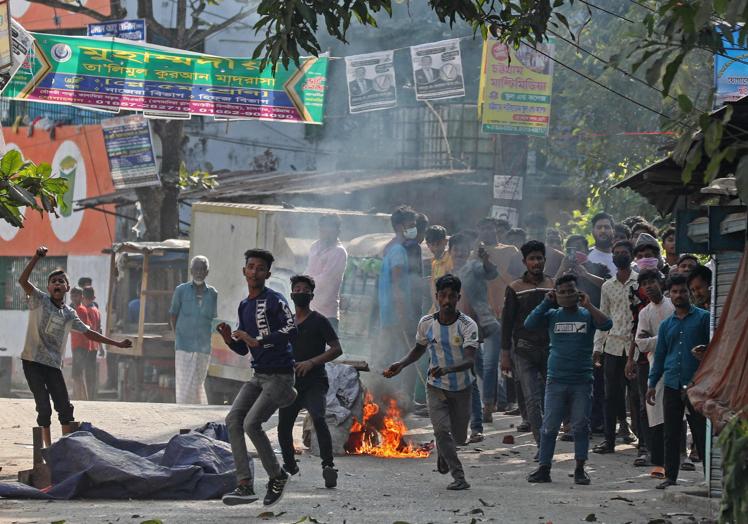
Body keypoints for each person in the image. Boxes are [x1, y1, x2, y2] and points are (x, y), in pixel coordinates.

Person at [19, 247, 132, 445]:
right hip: (32, 362)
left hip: (53, 364)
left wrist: (117, 344)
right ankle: (47, 450)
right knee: (44, 407)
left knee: (64, 407)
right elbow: (22, 281)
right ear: (48, 288)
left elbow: (89, 332)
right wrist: (36, 256)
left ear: (67, 288)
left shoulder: (70, 313)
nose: (57, 283)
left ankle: (66, 448)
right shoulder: (39, 299)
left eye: (61, 281)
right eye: (53, 281)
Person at [383, 274, 479, 491]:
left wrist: (448, 369)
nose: (446, 301)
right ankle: (459, 476)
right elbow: (418, 350)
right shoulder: (426, 323)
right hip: (435, 386)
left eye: (451, 296)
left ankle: (444, 452)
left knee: (459, 437)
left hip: (462, 388)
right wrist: (401, 364)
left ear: (458, 298)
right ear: (436, 297)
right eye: (442, 296)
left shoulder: (467, 325)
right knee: (440, 431)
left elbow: (470, 360)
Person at [219, 249, 298, 507]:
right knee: (233, 420)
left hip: (280, 376)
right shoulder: (244, 306)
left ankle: (277, 476)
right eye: (250, 267)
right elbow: (244, 348)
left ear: (267, 274)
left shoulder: (275, 300)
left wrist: (259, 340)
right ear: (244, 271)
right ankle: (244, 485)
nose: (254, 272)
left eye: (260, 268)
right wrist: (229, 339)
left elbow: (290, 328)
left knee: (251, 423)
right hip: (259, 375)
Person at [526, 275, 612, 485]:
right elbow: (529, 323)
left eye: (570, 291)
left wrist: (590, 305)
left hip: (582, 380)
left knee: (581, 426)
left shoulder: (586, 315)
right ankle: (544, 467)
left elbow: (607, 324)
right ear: (556, 294)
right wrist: (546, 301)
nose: (566, 295)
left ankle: (580, 468)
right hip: (556, 379)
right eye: (561, 292)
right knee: (549, 426)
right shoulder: (552, 315)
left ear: (578, 292)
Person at [278, 275, 342, 488]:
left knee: (318, 417)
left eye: (305, 290)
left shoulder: (319, 321)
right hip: (291, 382)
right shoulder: (287, 324)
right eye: (297, 289)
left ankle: (328, 466)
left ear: (311, 295)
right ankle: (289, 465)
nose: (301, 292)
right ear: (291, 294)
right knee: (284, 425)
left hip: (315, 381)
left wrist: (312, 363)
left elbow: (336, 349)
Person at [646, 274, 709, 489]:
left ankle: (710, 479)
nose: (679, 295)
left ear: (689, 293)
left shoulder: (704, 319)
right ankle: (670, 476)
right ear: (669, 294)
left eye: (683, 291)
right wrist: (652, 384)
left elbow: (713, 350)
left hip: (697, 385)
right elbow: (660, 357)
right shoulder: (666, 326)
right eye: (674, 292)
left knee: (701, 433)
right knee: (670, 433)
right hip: (672, 383)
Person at [501, 241, 555, 451]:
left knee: (551, 397)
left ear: (544, 260)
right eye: (532, 259)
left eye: (539, 258)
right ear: (525, 262)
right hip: (523, 349)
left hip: (551, 349)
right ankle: (542, 445)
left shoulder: (553, 285)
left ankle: (548, 436)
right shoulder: (515, 288)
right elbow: (507, 323)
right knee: (532, 399)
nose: (536, 262)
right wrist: (505, 355)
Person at [450, 232, 499, 442]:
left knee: (475, 374)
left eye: (463, 248)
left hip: (478, 326)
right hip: (455, 331)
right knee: (466, 374)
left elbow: (490, 273)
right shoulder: (448, 273)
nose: (460, 252)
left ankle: (477, 425)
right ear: (450, 251)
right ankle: (468, 424)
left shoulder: (473, 267)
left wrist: (485, 259)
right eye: (456, 248)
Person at [593, 240, 638, 454]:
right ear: (612, 257)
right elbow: (603, 317)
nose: (620, 255)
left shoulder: (640, 282)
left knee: (636, 396)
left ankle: (644, 443)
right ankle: (609, 441)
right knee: (610, 396)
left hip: (635, 347)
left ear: (631, 255)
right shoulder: (607, 286)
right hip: (612, 346)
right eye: (617, 252)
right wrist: (597, 347)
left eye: (624, 252)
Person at [630, 270, 673, 480]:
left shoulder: (673, 306)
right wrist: (664, 338)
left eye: (652, 282)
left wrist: (655, 338)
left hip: (676, 365)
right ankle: (658, 463)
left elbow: (678, 335)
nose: (649, 286)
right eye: (644, 283)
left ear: (660, 282)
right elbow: (641, 342)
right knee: (654, 413)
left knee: (677, 414)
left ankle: (680, 456)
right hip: (654, 364)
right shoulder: (645, 312)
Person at [476, 217, 520, 417]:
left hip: (504, 310)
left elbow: (516, 280)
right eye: (482, 228)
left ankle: (490, 404)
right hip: (481, 312)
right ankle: (497, 399)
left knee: (496, 358)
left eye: (489, 227)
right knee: (480, 359)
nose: (487, 231)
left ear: (496, 229)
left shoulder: (510, 250)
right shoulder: (474, 254)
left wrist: (490, 264)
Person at [378, 205, 419, 399]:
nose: (414, 228)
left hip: (389, 313)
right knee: (404, 357)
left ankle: (388, 397)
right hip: (396, 314)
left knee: (391, 354)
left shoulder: (390, 248)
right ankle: (398, 397)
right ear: (401, 226)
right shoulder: (398, 251)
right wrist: (403, 314)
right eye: (411, 224)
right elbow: (397, 286)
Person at [169, 256, 218, 405]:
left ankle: (197, 414)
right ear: (191, 271)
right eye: (196, 269)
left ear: (207, 272)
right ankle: (183, 413)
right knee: (184, 386)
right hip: (184, 346)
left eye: (202, 269)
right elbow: (173, 314)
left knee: (198, 383)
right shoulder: (181, 290)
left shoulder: (213, 293)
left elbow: (212, 319)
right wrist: (178, 335)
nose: (199, 272)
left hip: (204, 347)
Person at [306, 214, 348, 330]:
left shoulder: (338, 252)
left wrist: (304, 284)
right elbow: (308, 270)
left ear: (337, 231)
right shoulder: (314, 246)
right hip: (309, 310)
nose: (325, 233)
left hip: (327, 314)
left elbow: (326, 280)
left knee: (329, 348)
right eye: (322, 229)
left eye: (329, 230)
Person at [69, 287, 91, 400]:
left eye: (76, 296)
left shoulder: (81, 310)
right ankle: (83, 399)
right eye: (72, 296)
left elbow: (81, 329)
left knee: (77, 375)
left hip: (80, 346)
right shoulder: (77, 309)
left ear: (81, 297)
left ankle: (79, 399)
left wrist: (67, 328)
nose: (73, 298)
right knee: (79, 375)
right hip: (78, 345)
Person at [81, 287, 101, 400]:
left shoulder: (86, 311)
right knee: (91, 372)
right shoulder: (96, 310)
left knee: (86, 372)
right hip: (95, 345)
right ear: (93, 298)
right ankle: (92, 396)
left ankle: (87, 397)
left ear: (83, 297)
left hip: (87, 345)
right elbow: (99, 329)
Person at [588, 212, 617, 276]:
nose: (603, 231)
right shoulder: (586, 256)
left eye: (606, 227)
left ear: (613, 232)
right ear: (593, 231)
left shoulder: (620, 257)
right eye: (599, 227)